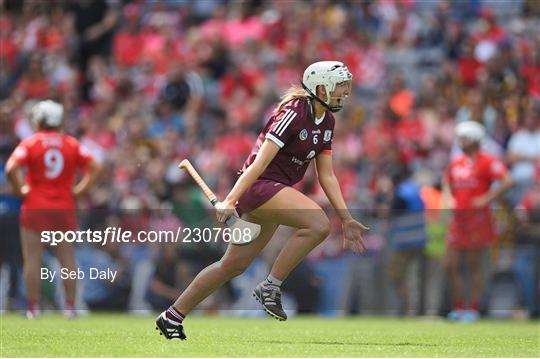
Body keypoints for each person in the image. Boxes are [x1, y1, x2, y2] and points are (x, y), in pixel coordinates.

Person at [156, 61, 369, 340]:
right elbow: (257, 164)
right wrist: (231, 199)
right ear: (321, 87)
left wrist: (347, 217)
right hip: (259, 187)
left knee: (232, 265)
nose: (345, 92)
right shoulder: (294, 113)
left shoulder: (327, 120)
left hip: (272, 193)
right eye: (340, 86)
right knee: (318, 223)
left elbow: (326, 176)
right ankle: (271, 285)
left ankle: (172, 316)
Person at [5, 100, 101, 319]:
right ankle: (69, 307)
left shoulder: (31, 143)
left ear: (39, 119)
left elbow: (12, 167)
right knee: (66, 257)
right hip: (63, 206)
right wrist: (79, 190)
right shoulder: (71, 144)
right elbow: (96, 167)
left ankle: (33, 308)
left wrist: (20, 189)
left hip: (35, 206)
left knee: (32, 258)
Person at [443, 121, 512, 322]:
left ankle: (472, 308)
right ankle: (458, 306)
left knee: (474, 265)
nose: (460, 142)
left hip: (478, 219)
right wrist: (448, 197)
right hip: (458, 219)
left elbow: (508, 180)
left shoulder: (488, 161)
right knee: (452, 264)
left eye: (464, 138)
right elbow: (446, 179)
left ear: (474, 140)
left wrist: (487, 198)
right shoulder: (457, 162)